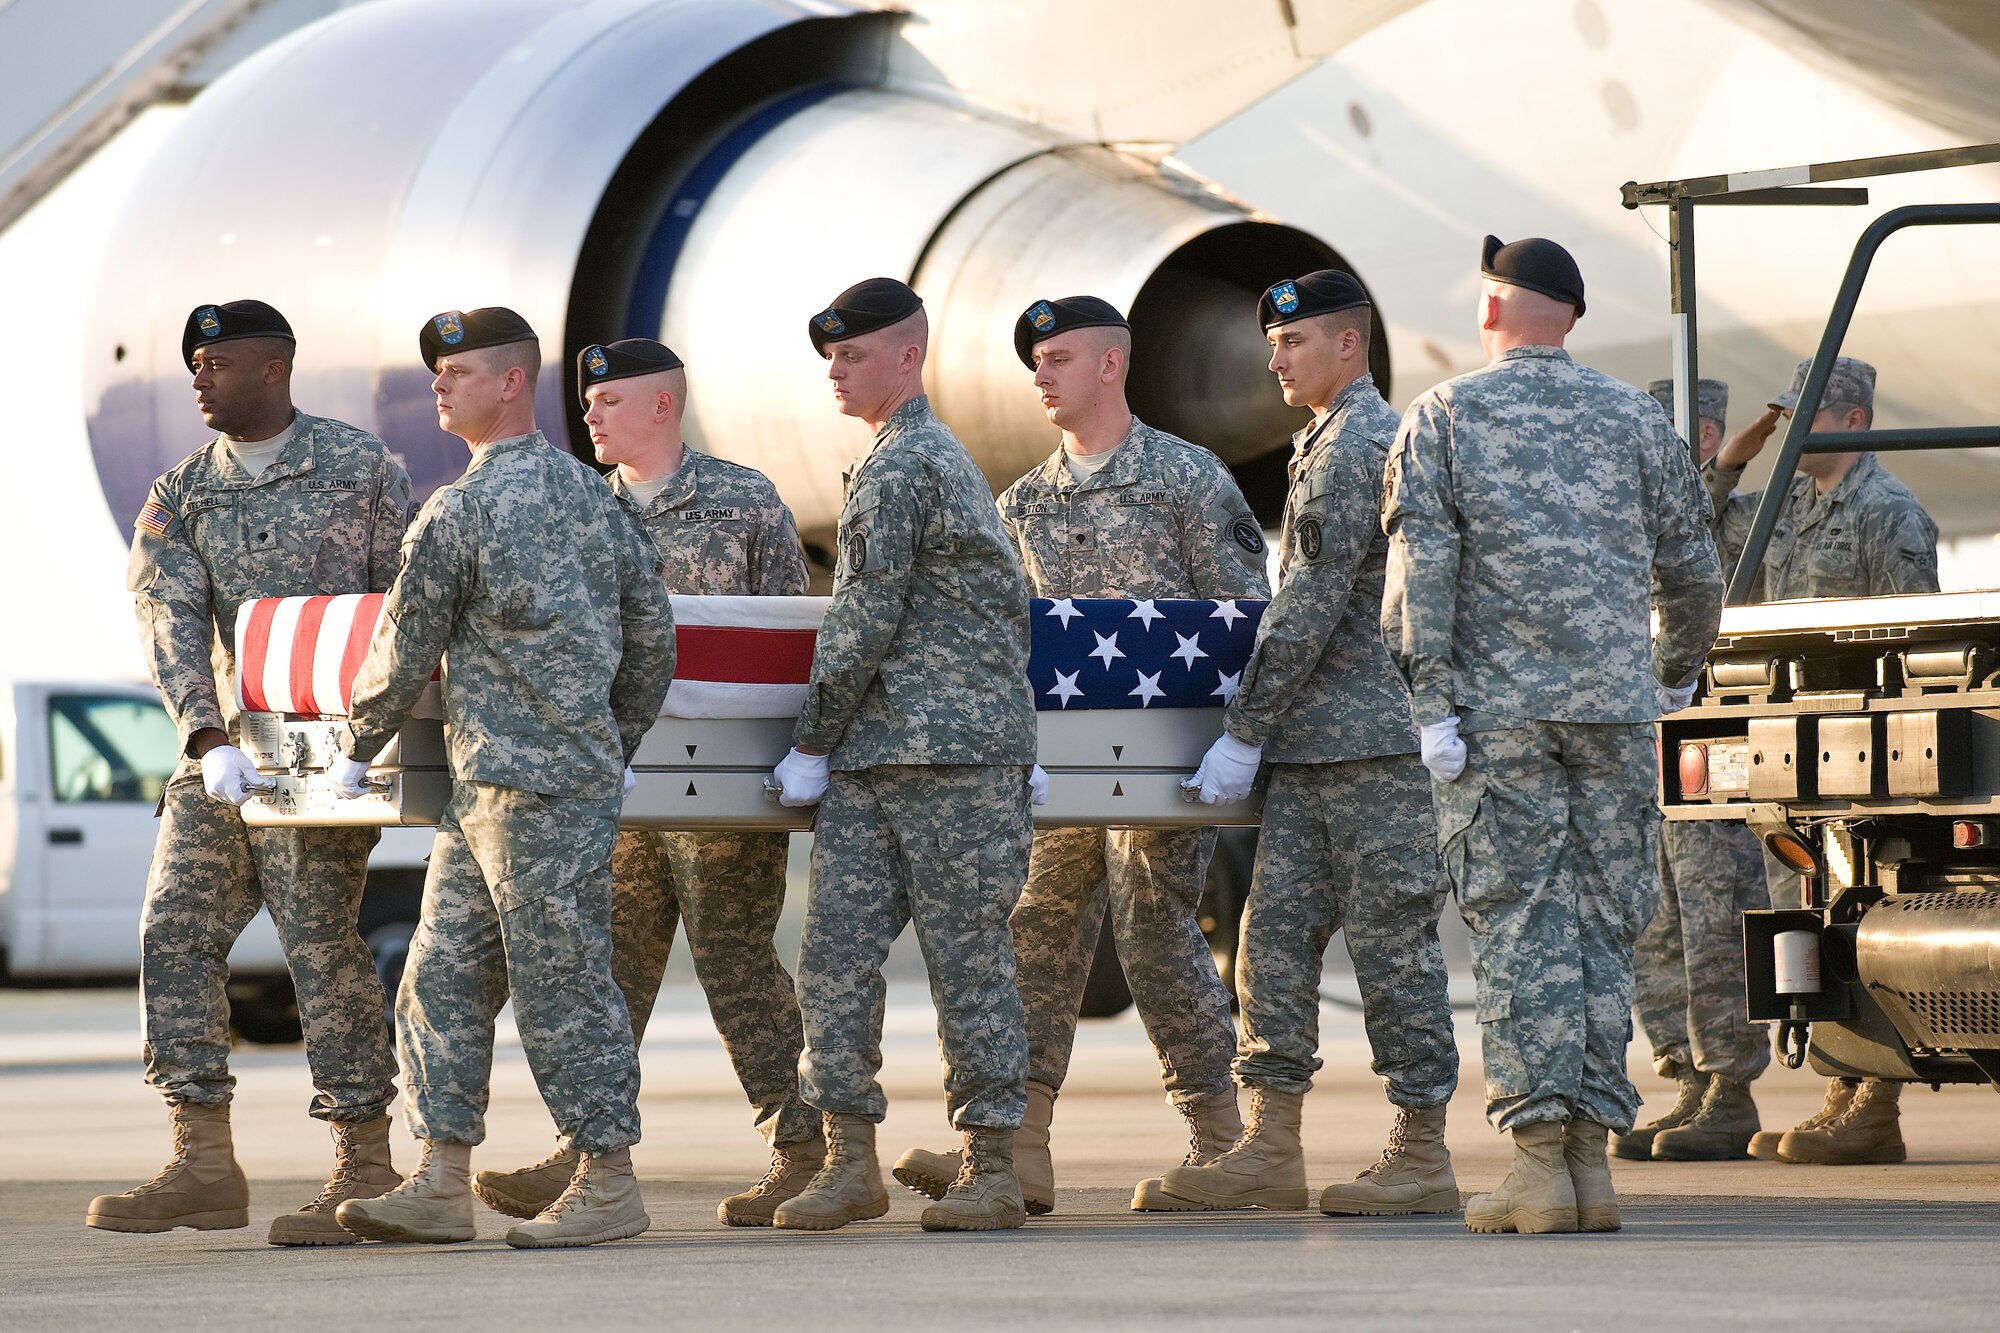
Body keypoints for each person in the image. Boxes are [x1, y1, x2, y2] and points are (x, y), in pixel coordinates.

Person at [894, 296, 1265, 1217]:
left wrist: (1234, 748)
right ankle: (1017, 1145)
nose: (1041, 375)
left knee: (1153, 924)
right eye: (1035, 361)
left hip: (1166, 763)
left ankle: (1222, 1135)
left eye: (1060, 357)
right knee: (1038, 930)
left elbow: (1243, 618)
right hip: (1055, 766)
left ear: (1111, 364)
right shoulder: (1021, 504)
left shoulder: (1188, 481)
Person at [1381, 236, 1724, 1234]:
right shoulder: (1633, 417)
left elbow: (1419, 581)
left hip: (1500, 717)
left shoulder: (1444, 414)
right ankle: (1586, 1162)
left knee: (1521, 924)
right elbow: (1693, 569)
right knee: (1602, 927)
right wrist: (1669, 673)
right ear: (1567, 317)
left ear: (1490, 311)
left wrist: (1429, 705)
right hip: (1615, 714)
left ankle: (1538, 1159)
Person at [329, 308, 676, 1249]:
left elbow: (406, 646)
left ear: (515, 382)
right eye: (438, 372)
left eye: (462, 371)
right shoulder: (601, 503)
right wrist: (608, 736)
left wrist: (356, 744)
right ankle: (442, 1178)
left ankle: (608, 1178)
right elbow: (654, 641)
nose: (441, 385)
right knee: (439, 975)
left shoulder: (464, 509)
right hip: (501, 791)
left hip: (531, 790)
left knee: (561, 983)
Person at [470, 337, 820, 1227]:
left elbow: (786, 643)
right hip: (612, 782)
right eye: (588, 401)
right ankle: (592, 1149)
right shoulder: (583, 506)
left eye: (610, 400)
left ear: (662, 405)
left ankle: (801, 1143)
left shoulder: (744, 500)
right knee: (608, 969)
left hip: (719, 790)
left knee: (735, 962)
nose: (589, 413)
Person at [89, 300, 410, 1246]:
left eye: (218, 362)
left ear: (275, 370)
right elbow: (167, 614)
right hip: (224, 754)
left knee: (320, 942)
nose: (199, 377)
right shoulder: (181, 490)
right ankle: (202, 1162)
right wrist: (201, 735)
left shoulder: (363, 470)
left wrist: (377, 736)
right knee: (173, 931)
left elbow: (404, 609)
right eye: (194, 362)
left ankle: (364, 1159)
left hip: (323, 751)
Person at [1165, 270, 1459, 1216]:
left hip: (1369, 747)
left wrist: (1243, 729)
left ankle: (1421, 1150)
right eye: (1272, 343)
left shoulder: (1360, 441)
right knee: (1272, 941)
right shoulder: (1323, 440)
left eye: (1293, 342)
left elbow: (1309, 604)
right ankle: (1272, 1144)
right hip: (1315, 747)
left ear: (1347, 344)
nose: (1274, 357)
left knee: (1391, 950)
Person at [766, 278, 1038, 1232]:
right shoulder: (902, 458)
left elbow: (863, 615)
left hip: (950, 759)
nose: (836, 371)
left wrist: (809, 738)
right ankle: (850, 1163)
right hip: (886, 760)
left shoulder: (906, 463)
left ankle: (993, 1167)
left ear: (908, 356)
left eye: (854, 354)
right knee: (835, 958)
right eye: (830, 358)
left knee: (967, 963)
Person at [1705, 355, 1938, 1165]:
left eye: (1810, 413)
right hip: (1790, 759)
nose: (1796, 426)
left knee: (1860, 922)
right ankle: (1840, 1085)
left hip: (1860, 762)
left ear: (1853, 421)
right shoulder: (1786, 502)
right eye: (1789, 411)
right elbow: (1697, 530)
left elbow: (1913, 645)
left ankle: (1875, 1101)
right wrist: (1736, 457)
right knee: (1802, 930)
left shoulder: (1889, 511)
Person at [1615, 377, 1774, 1163]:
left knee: (1715, 924)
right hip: (1648, 746)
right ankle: (1685, 1075)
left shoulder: (1738, 521)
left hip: (1715, 753)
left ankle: (1730, 1088)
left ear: (1705, 442)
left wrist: (1723, 477)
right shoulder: (1634, 521)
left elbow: (1696, 550)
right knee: (1658, 926)